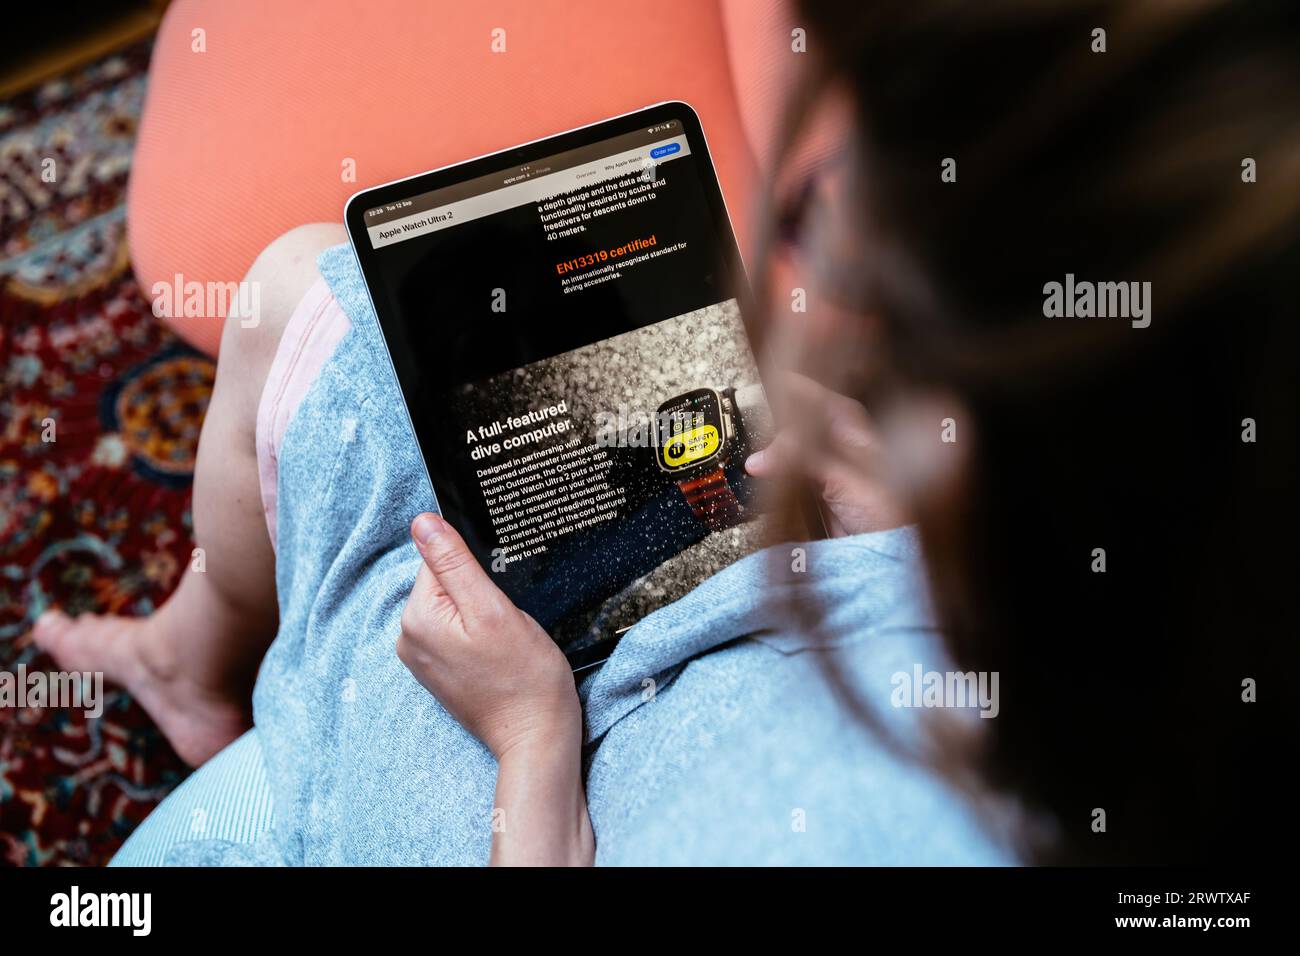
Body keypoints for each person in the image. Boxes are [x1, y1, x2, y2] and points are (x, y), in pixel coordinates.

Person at [36, 0, 1293, 865]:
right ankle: (190, 656)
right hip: (722, 647)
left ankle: (195, 669)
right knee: (340, 300)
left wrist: (533, 753)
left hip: (536, 772)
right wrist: (914, 528)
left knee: (312, 299)